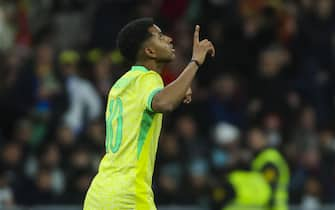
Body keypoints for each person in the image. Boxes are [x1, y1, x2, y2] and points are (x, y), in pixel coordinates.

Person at [83, 17, 215, 210]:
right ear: (150, 51)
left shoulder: (123, 83)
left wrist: (177, 88)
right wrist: (194, 62)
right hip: (129, 194)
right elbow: (164, 102)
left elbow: (156, 99)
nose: (169, 39)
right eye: (160, 37)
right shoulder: (148, 78)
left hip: (99, 194)